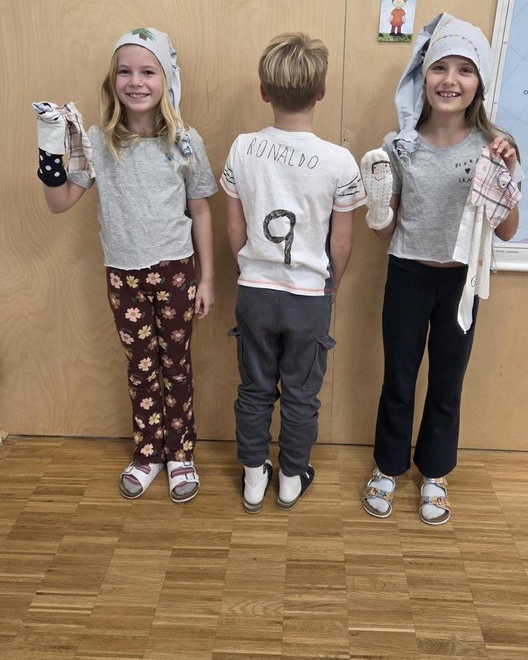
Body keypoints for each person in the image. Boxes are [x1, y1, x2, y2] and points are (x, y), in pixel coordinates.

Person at [33, 28, 217, 502]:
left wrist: (208, 280)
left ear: (166, 79)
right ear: (111, 80)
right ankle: (149, 451)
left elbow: (201, 211)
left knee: (176, 365)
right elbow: (59, 202)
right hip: (123, 275)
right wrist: (51, 149)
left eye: (148, 71)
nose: (136, 82)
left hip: (176, 272)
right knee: (140, 368)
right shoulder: (96, 142)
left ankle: (180, 453)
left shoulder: (185, 141)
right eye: (125, 72)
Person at [360, 13, 521, 526]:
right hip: (407, 274)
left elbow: (508, 230)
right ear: (422, 75)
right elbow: (384, 229)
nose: (450, 80)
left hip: (460, 281)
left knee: (448, 381)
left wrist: (506, 174)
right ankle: (388, 467)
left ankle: (435, 473)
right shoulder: (399, 145)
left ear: (479, 82)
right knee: (399, 377)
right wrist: (377, 204)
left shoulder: (494, 146)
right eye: (439, 68)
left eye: (464, 70)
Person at [221, 32, 365, 513]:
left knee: (254, 388)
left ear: (264, 92)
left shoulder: (242, 148)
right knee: (301, 393)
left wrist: (247, 268)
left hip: (254, 293)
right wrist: (330, 288)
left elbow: (234, 229)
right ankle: (290, 477)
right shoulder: (339, 161)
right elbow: (341, 242)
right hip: (308, 297)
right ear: (321, 92)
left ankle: (253, 478)